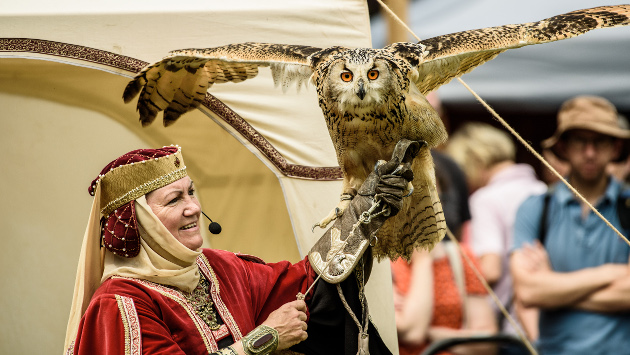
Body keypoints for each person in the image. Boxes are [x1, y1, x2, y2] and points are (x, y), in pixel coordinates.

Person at [64, 143, 415, 355]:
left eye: (192, 192)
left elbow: (309, 285)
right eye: (175, 199)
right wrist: (263, 340)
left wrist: (363, 215)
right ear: (140, 222)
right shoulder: (119, 304)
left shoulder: (219, 267)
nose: (194, 208)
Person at [510, 96, 630, 354]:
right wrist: (611, 273)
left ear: (615, 148)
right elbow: (529, 292)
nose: (590, 152)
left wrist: (552, 286)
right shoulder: (535, 207)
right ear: (563, 147)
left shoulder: (627, 206)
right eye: (580, 141)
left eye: (599, 141)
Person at [446, 122, 546, 349]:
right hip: (546, 322)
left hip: (510, 329)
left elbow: (489, 269)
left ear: (475, 161)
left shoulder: (486, 199)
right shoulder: (540, 190)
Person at [392, 152, 497, 355]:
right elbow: (412, 332)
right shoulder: (379, 259)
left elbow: (488, 342)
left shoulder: (459, 255)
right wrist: (423, 260)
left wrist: (435, 335)